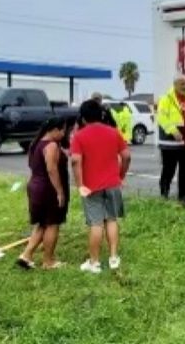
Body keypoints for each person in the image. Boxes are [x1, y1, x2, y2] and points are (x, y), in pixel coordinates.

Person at [71, 99, 131, 274]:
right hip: (113, 184)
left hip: (91, 187)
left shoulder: (79, 136)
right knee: (111, 220)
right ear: (101, 114)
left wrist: (80, 184)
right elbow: (126, 156)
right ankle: (113, 258)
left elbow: (75, 161)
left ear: (83, 118)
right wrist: (121, 176)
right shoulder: (113, 132)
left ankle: (94, 262)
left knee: (95, 223)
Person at [17, 117, 69, 270]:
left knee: (42, 224)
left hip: (34, 186)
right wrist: (59, 191)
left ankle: (26, 255)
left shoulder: (36, 143)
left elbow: (31, 164)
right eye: (62, 130)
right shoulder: (51, 145)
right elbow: (51, 169)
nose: (64, 134)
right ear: (54, 130)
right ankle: (48, 261)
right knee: (52, 224)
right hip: (48, 189)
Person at [157, 76, 185, 203]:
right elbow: (161, 117)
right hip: (170, 142)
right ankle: (164, 193)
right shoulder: (166, 99)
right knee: (169, 168)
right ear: (174, 84)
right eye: (182, 84)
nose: (184, 86)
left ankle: (184, 194)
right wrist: (173, 131)